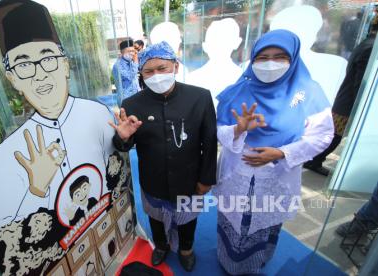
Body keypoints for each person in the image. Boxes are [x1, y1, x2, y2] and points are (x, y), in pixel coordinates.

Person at [0, 0, 115, 240]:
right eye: (23, 64)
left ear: (65, 66)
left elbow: (114, 174)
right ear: (13, 80)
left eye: (47, 57)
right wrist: (37, 190)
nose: (40, 73)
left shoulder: (99, 115)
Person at [214, 30, 334, 275]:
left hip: (276, 174)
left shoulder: (309, 92)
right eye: (262, 57)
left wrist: (280, 152)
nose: (270, 63)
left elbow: (322, 135)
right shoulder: (237, 90)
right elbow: (217, 129)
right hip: (237, 172)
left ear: (293, 59)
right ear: (252, 59)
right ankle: (228, 262)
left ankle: (254, 263)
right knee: (233, 217)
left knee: (265, 220)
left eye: (280, 57)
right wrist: (238, 128)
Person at [109, 41, 217, 271]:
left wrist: (206, 179)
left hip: (189, 178)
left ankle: (186, 249)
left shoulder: (200, 97)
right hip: (153, 179)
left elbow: (209, 142)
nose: (156, 75)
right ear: (141, 74)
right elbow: (122, 145)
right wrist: (124, 138)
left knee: (188, 220)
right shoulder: (132, 103)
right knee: (156, 219)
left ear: (175, 67)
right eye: (149, 71)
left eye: (162, 68)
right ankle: (161, 246)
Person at [304, 15, 378, 176]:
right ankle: (313, 160)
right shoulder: (371, 48)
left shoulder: (367, 44)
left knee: (335, 135)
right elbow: (361, 82)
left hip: (347, 100)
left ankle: (314, 160)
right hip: (349, 102)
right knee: (334, 136)